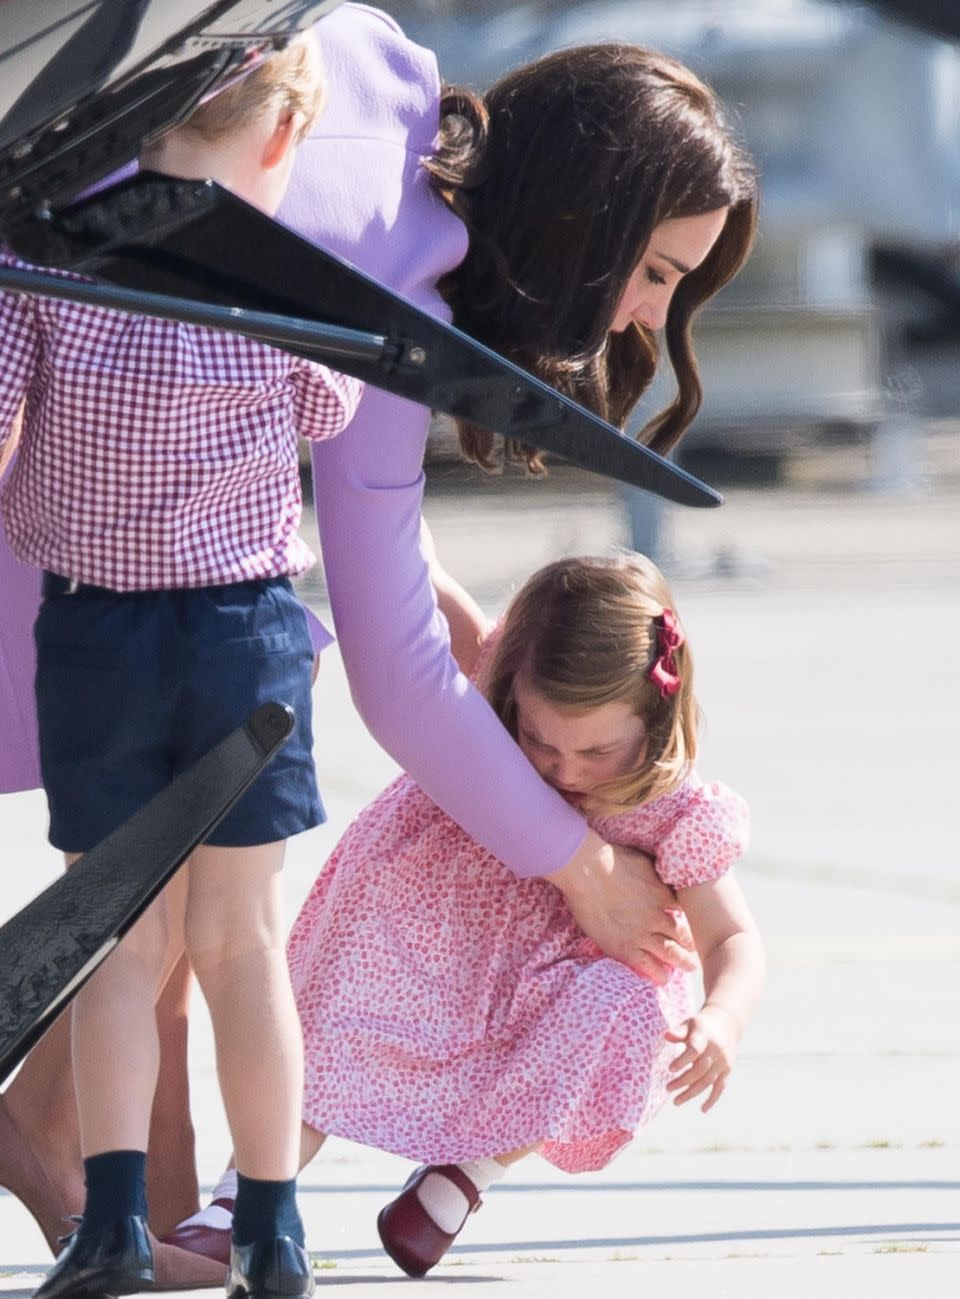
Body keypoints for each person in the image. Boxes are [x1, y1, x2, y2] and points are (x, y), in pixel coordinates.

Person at [0, 3, 758, 1280]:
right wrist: (581, 867)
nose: (640, 320)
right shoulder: (406, 262)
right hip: (93, 523)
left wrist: (407, 577)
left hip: (85, 459)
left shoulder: (355, 55)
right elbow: (399, 686)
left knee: (186, 875)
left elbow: (290, 464)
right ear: (590, 217)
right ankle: (68, 1154)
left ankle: (112, 1182)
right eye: (656, 275)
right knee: (210, 824)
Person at [0, 30, 364, 1299]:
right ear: (277, 140)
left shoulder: (42, 266)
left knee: (118, 944)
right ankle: (271, 1226)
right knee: (243, 947)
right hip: (242, 632)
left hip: (97, 635)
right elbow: (335, 408)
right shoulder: (281, 279)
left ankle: (110, 1226)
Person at [170, 551, 766, 1277]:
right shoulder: (491, 674)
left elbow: (732, 934)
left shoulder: (674, 810)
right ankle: (244, 1197)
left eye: (598, 750)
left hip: (543, 980)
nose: (564, 770)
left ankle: (463, 1175)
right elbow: (408, 570)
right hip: (419, 927)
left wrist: (723, 1018)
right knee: (332, 1025)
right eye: (540, 741)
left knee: (632, 1002)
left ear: (658, 712)